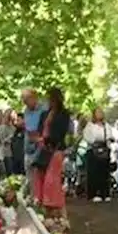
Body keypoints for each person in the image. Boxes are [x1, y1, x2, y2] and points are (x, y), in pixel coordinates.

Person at [34, 88, 71, 223]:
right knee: (41, 178)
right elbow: (39, 130)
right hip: (43, 150)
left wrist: (48, 139)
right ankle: (45, 212)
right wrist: (39, 138)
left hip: (55, 150)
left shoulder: (64, 114)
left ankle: (59, 214)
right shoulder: (44, 114)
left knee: (52, 182)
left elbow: (60, 132)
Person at [81, 107, 113, 202]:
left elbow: (109, 135)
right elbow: (87, 136)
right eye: (98, 112)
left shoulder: (106, 125)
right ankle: (94, 193)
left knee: (104, 172)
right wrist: (95, 140)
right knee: (94, 172)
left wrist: (108, 141)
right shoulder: (90, 125)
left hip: (104, 149)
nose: (100, 114)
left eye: (101, 112)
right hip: (93, 149)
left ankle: (105, 193)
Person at [21, 89, 49, 194]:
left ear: (34, 98)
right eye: (23, 100)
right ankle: (33, 200)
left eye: (26, 100)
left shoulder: (44, 110)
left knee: (40, 176)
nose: (25, 103)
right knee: (30, 178)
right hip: (28, 147)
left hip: (40, 147)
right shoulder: (26, 111)